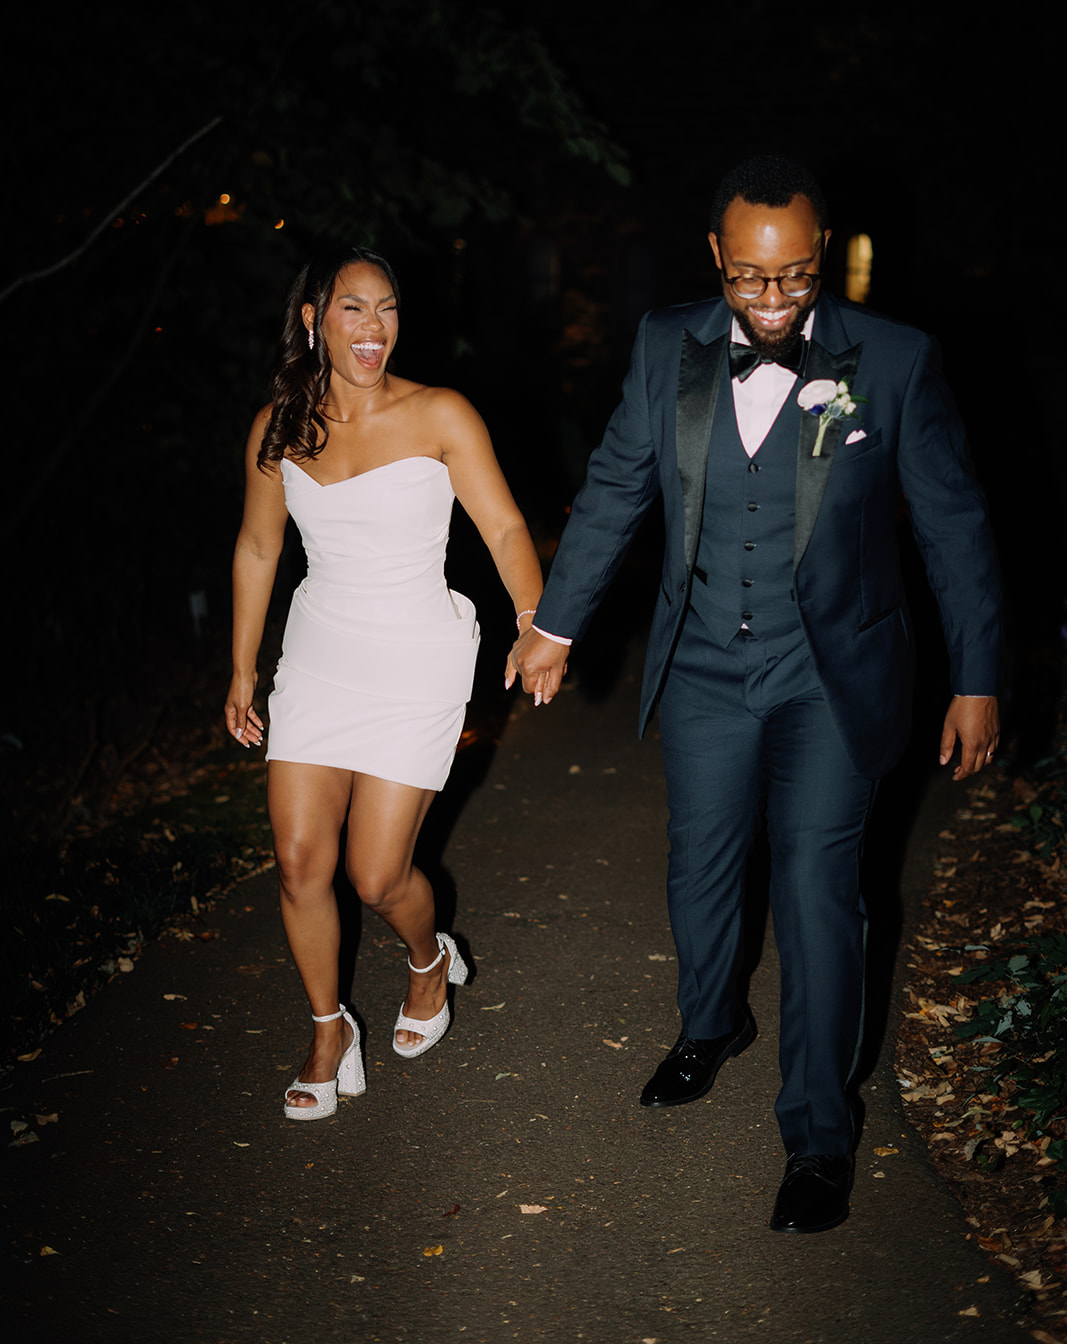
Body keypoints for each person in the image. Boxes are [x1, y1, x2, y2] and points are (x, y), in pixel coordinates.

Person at [510, 157, 1001, 1232]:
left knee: (819, 891)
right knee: (699, 865)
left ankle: (818, 1135)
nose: (770, 300)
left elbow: (953, 528)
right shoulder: (663, 345)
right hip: (702, 664)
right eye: (746, 277)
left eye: (792, 277)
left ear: (820, 255)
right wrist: (555, 623)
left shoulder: (894, 359)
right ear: (714, 258)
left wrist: (975, 677)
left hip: (831, 673)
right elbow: (615, 486)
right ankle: (709, 1024)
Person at [225, 247, 544, 1121]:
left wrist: (530, 619)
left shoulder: (440, 412)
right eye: (353, 309)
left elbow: (505, 528)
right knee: (299, 862)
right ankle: (328, 1032)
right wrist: (242, 666)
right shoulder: (277, 427)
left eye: (388, 308)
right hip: (319, 658)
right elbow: (258, 547)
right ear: (312, 319)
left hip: (414, 660)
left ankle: (429, 960)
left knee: (374, 876)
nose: (374, 328)